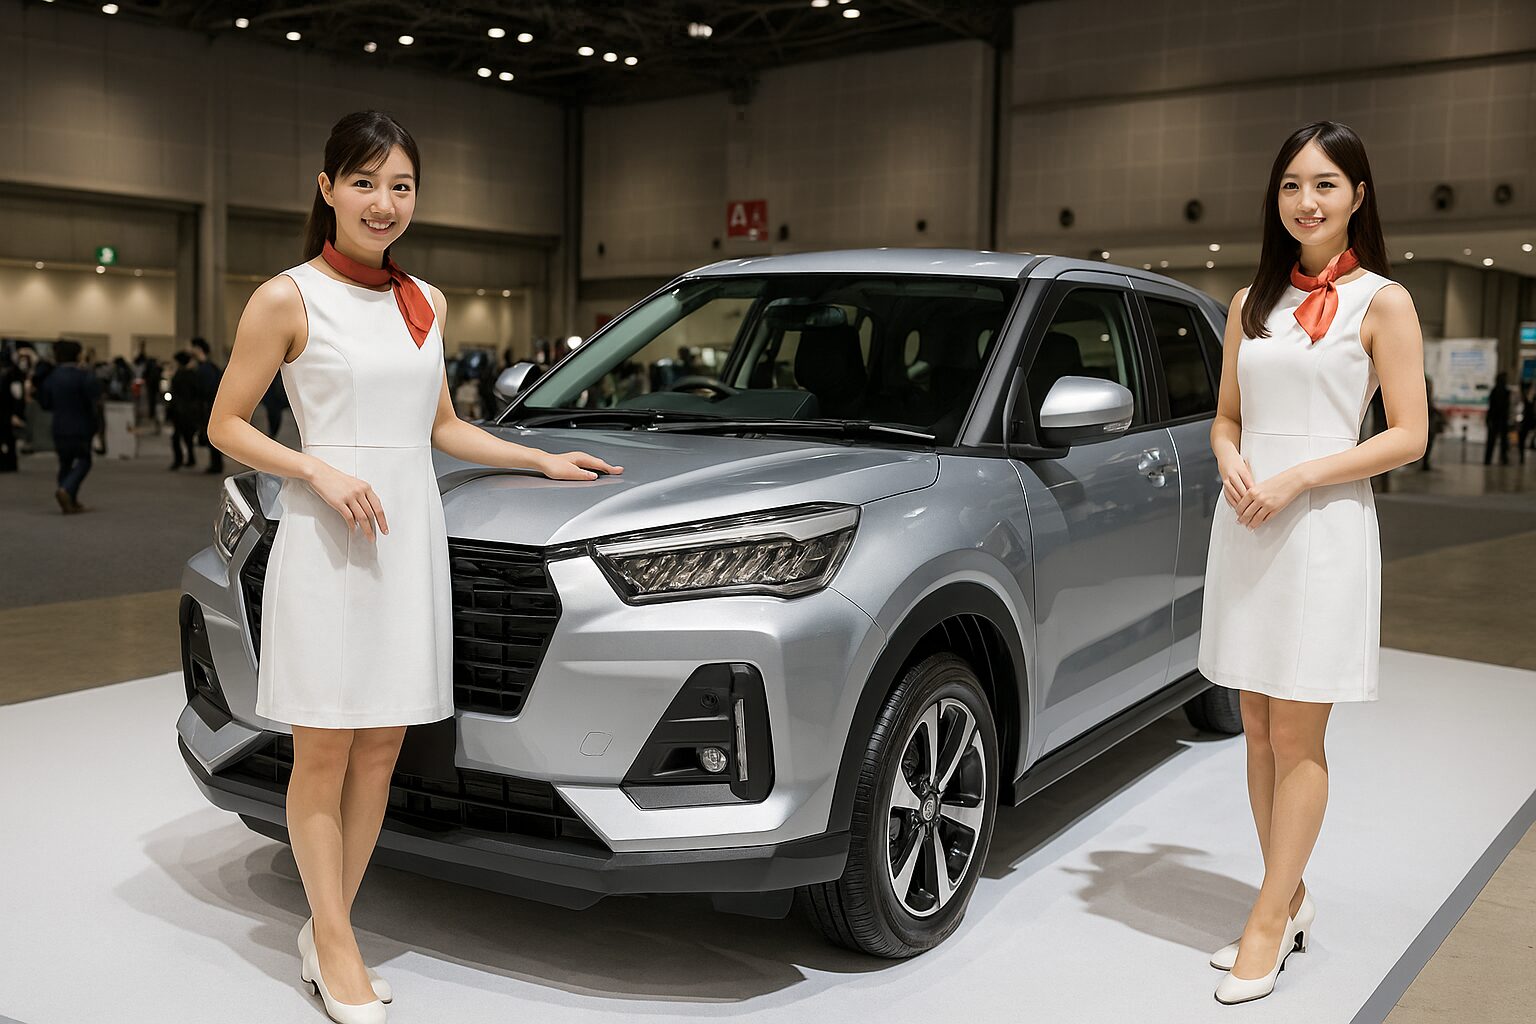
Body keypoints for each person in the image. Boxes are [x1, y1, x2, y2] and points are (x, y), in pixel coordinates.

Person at [204, 110, 622, 1023]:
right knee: (322, 750)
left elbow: (443, 428)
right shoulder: (286, 297)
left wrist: (540, 459)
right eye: (364, 183)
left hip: (407, 543)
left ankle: (329, 925)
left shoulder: (423, 298)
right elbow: (225, 423)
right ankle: (336, 941)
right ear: (327, 189)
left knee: (383, 749)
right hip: (327, 542)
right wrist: (315, 468)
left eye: (400, 186)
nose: (383, 203)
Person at [1196, 121, 1426, 1005]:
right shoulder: (1249, 302)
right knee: (1255, 725)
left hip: (1322, 527)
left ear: (1358, 197)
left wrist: (1298, 476)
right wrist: (1230, 456)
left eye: (1325, 184)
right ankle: (1287, 898)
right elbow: (1226, 415)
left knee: (1298, 733)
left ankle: (1266, 921)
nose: (1307, 200)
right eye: (1292, 184)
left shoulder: (1384, 302)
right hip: (1249, 524)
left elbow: (1408, 435)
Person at [34, 339, 104, 513]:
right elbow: (95, 398)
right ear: (78, 355)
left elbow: (45, 403)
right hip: (81, 425)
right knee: (84, 461)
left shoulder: (52, 377)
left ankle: (70, 500)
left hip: (59, 426)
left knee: (64, 463)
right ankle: (66, 490)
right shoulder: (83, 376)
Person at [190, 337, 226, 474]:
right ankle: (216, 464)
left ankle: (216, 465)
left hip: (208, 406)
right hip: (210, 405)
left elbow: (206, 389)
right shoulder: (210, 367)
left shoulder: (205, 369)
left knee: (212, 435)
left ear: (198, 349)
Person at [167, 351, 202, 469]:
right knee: (188, 436)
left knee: (176, 437)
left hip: (180, 411)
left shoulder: (179, 375)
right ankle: (191, 458)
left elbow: (175, 394)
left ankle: (179, 460)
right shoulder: (193, 375)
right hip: (190, 410)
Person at [1483, 370, 1511, 466]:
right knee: (1502, 441)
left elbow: (1491, 407)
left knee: (1493, 441)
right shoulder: (1504, 392)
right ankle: (1503, 459)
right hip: (1500, 419)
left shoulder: (1495, 391)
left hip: (1496, 419)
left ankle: (1489, 459)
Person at [1519, 381, 1535, 465]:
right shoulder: (1525, 400)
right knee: (1521, 438)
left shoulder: (1531, 400)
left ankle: (1531, 444)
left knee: (1523, 438)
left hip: (1531, 421)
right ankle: (1521, 456)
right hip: (1526, 421)